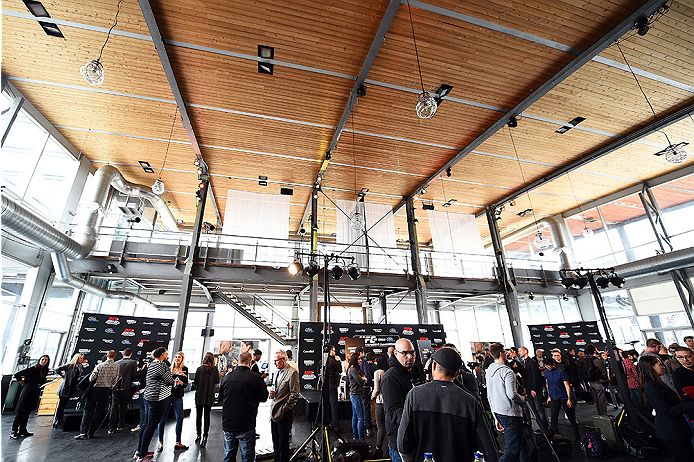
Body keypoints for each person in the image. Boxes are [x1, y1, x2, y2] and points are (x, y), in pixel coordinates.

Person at [397, 347, 499, 462]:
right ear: (457, 374)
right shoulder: (470, 402)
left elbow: (403, 442)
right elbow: (487, 447)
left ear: (433, 366)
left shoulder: (415, 395)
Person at [639, 355, 694, 462]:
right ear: (652, 367)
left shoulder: (656, 383)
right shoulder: (652, 386)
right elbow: (666, 410)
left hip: (675, 428)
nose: (664, 367)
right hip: (671, 430)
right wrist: (688, 405)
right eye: (660, 365)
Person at [134, 348, 182, 461]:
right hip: (156, 398)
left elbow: (163, 377)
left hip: (149, 397)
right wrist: (175, 378)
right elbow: (169, 380)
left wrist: (173, 374)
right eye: (166, 353)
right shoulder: (161, 365)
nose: (167, 354)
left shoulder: (153, 364)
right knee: (150, 426)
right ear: (161, 354)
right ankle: (142, 456)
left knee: (146, 424)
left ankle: (140, 451)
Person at [220, 351, 268, 462]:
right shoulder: (256, 378)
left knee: (228, 456)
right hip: (246, 423)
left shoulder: (227, 378)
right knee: (247, 457)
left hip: (228, 423)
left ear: (239, 361)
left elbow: (221, 398)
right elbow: (264, 398)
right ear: (250, 362)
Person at [486, 343, 530, 462]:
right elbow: (512, 395)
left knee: (522, 447)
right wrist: (523, 398)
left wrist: (495, 416)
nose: (507, 354)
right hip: (511, 415)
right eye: (505, 352)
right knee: (512, 452)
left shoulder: (489, 371)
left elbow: (489, 395)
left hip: (499, 412)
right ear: (501, 353)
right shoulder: (508, 372)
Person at [381, 338, 418, 462]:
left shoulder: (417, 372)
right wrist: (418, 421)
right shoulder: (390, 378)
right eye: (405, 353)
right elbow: (393, 411)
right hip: (400, 441)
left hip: (417, 439)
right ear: (396, 354)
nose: (409, 356)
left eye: (412, 352)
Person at [75, 349, 119, 440]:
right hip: (106, 391)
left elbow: (92, 378)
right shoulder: (117, 366)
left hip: (95, 390)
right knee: (98, 411)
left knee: (88, 410)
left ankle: (83, 432)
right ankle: (92, 432)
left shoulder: (100, 365)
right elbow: (115, 380)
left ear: (107, 355)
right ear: (114, 357)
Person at [10, 355, 50, 439]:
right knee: (21, 411)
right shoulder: (32, 369)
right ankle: (13, 431)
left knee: (27, 412)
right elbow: (17, 374)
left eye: (46, 360)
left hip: (35, 391)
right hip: (28, 391)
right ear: (39, 360)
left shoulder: (44, 371)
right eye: (42, 359)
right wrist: (22, 382)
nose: (43, 361)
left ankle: (23, 430)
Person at [270, 349, 299, 462]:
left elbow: (294, 394)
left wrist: (284, 409)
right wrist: (272, 394)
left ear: (283, 359)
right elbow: (275, 391)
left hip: (283, 414)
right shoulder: (276, 372)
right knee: (276, 444)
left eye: (276, 361)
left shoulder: (292, 372)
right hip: (273, 413)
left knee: (283, 445)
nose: (274, 363)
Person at [544, 358, 580, 444]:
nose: (548, 367)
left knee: (571, 416)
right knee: (553, 415)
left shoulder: (560, 372)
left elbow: (567, 386)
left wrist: (569, 399)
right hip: (553, 396)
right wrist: (549, 396)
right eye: (546, 365)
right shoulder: (546, 372)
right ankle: (553, 433)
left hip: (563, 396)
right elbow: (547, 384)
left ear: (553, 364)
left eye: (549, 365)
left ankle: (577, 437)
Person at [157, 351, 188, 451]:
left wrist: (181, 382)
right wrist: (174, 375)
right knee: (162, 419)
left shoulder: (185, 369)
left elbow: (186, 384)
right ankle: (160, 442)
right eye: (176, 357)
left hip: (177, 396)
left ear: (182, 359)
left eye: (180, 357)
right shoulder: (168, 368)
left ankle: (178, 442)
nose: (177, 359)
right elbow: (164, 380)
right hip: (167, 395)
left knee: (180, 418)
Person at [518, 346, 548, 432]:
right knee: (534, 410)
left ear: (525, 351)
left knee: (539, 410)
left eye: (520, 351)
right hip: (528, 389)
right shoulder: (524, 363)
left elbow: (536, 377)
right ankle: (541, 428)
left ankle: (545, 428)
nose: (519, 353)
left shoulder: (532, 362)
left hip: (534, 390)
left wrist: (534, 389)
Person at [194, 351, 220, 447]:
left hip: (199, 396)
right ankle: (205, 436)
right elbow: (217, 381)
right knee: (207, 416)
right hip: (209, 396)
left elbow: (195, 382)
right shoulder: (214, 370)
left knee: (198, 416)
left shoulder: (200, 369)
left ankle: (198, 435)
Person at [109, 348, 137, 433]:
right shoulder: (133, 362)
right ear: (131, 354)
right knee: (123, 407)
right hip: (126, 387)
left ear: (122, 354)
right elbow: (135, 375)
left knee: (114, 407)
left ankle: (111, 427)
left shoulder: (117, 362)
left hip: (115, 387)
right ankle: (120, 424)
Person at [54, 353, 84, 429]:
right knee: (61, 405)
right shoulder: (70, 365)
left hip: (72, 387)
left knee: (64, 404)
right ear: (77, 358)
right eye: (81, 358)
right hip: (65, 387)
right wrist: (63, 376)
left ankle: (60, 420)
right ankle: (57, 420)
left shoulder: (80, 366)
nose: (82, 359)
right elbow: (57, 369)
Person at [371, 354, 389, 458]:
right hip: (389, 402)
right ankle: (389, 449)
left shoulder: (378, 373)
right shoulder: (389, 372)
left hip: (380, 402)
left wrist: (372, 397)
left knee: (380, 426)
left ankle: (378, 449)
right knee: (389, 426)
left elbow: (376, 390)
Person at [583, 345, 608, 415]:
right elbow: (603, 371)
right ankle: (604, 415)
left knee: (597, 400)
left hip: (591, 382)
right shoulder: (596, 360)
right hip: (598, 382)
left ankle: (600, 414)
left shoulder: (585, 360)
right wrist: (606, 379)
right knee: (601, 399)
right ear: (594, 351)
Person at [348, 353, 367, 440]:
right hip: (356, 395)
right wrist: (363, 379)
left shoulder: (355, 369)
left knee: (355, 417)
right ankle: (361, 439)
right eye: (359, 359)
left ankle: (356, 437)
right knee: (360, 418)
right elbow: (360, 381)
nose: (360, 360)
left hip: (356, 394)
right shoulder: (353, 370)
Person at [327, 345, 343, 432]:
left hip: (325, 386)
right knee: (334, 406)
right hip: (332, 386)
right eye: (333, 351)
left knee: (326, 406)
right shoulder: (333, 361)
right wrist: (339, 361)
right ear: (330, 351)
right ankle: (336, 427)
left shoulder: (322, 361)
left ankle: (325, 424)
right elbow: (340, 370)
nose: (335, 352)